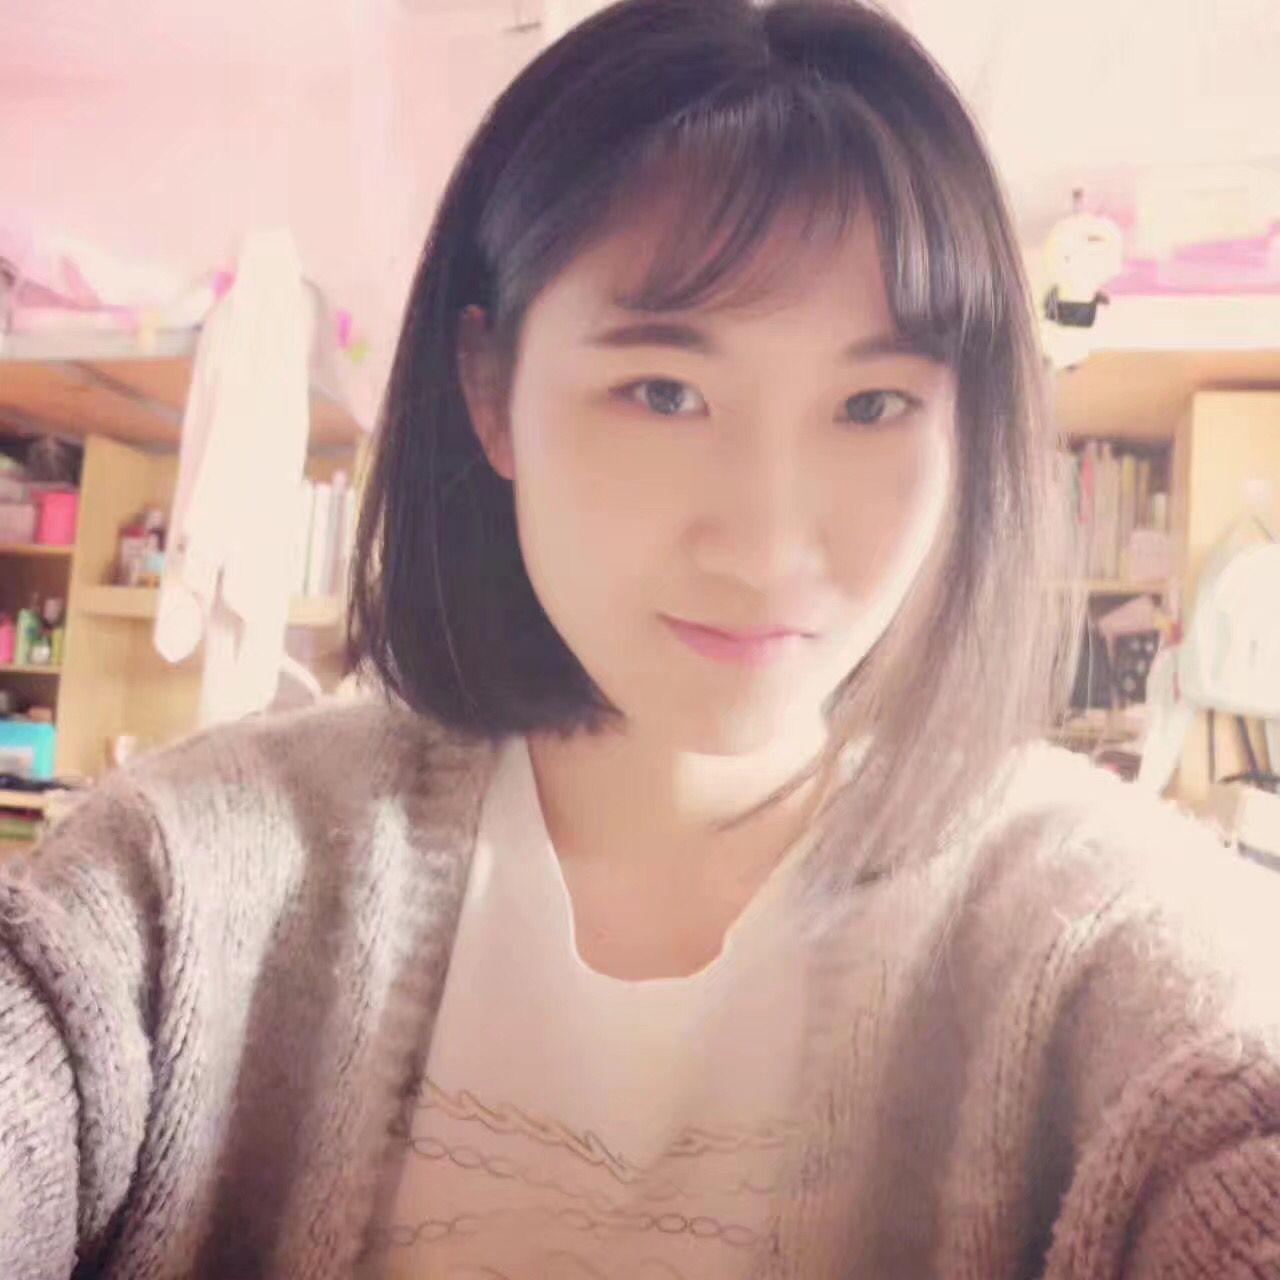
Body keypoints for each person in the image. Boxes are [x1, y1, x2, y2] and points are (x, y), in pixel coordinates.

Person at [3, 1, 1278, 1276]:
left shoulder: (1094, 932)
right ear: (489, 388)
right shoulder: (182, 884)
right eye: (664, 392)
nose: (766, 545)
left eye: (871, 404)